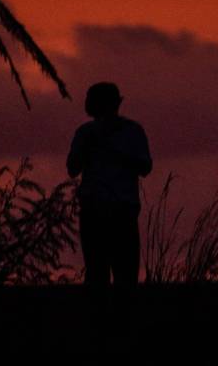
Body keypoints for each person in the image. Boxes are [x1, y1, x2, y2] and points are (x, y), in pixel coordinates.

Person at [66, 81, 153, 285]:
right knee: (116, 275)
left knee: (105, 275)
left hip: (109, 212)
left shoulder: (89, 132)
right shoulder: (127, 131)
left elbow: (72, 168)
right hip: (111, 212)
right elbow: (73, 167)